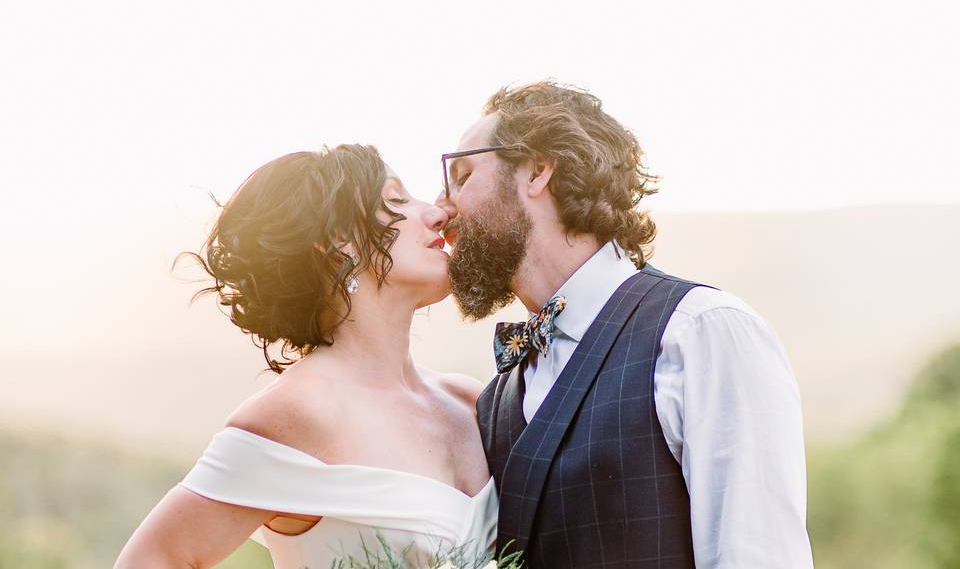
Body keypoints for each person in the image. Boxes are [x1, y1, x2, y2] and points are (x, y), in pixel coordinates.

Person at [435, 81, 816, 568]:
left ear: (537, 169)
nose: (443, 205)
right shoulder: (496, 399)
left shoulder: (700, 332)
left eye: (462, 176)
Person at [115, 145, 497, 569]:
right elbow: (157, 557)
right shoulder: (296, 413)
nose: (437, 213)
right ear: (338, 240)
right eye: (395, 200)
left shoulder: (468, 400)